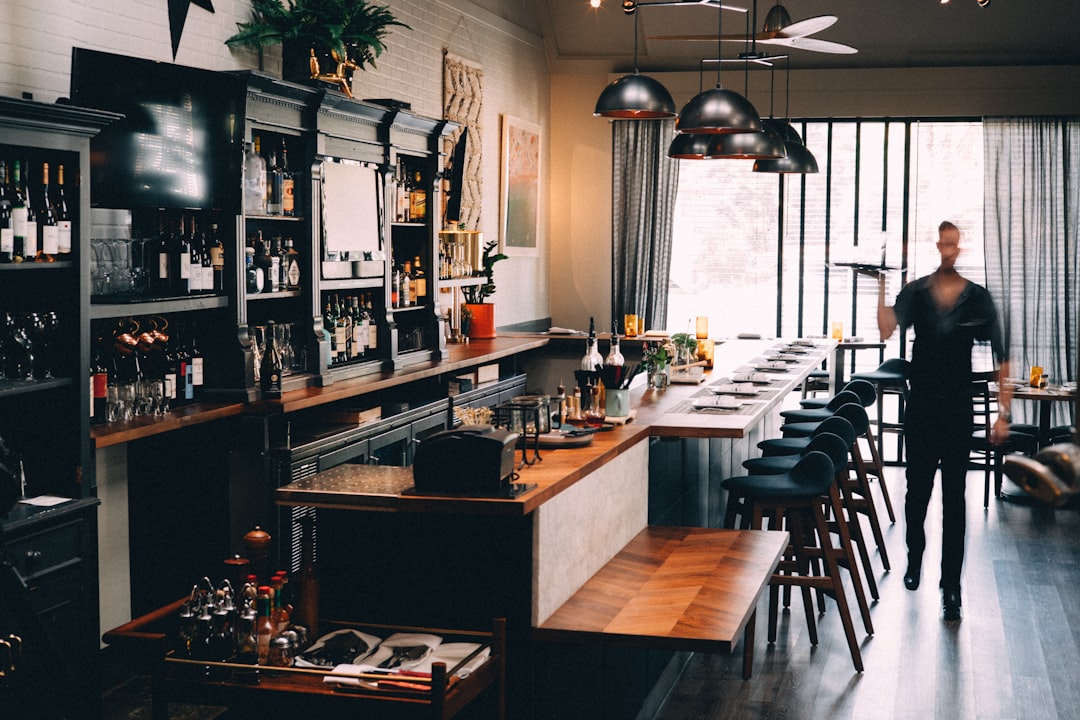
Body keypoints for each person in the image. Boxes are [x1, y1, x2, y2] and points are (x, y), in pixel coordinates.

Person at [872, 220, 1013, 622]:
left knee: (955, 501)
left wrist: (1003, 414)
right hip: (921, 411)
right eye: (944, 243)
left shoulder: (977, 298)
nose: (949, 249)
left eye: (954, 244)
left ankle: (952, 588)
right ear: (938, 245)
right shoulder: (916, 291)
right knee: (916, 494)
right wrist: (882, 282)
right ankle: (915, 557)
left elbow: (1003, 356)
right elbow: (885, 330)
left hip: (957, 412)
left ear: (958, 247)